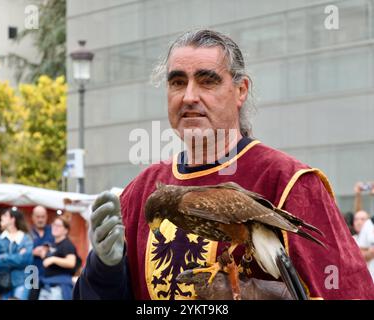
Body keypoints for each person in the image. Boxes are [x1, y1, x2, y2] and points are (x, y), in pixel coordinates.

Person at [74, 29, 374, 300]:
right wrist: (104, 273)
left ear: (241, 90)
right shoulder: (141, 191)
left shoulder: (288, 182)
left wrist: (267, 296)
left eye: (207, 81)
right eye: (178, 82)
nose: (189, 96)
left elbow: (351, 292)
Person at [0, 208, 33, 300]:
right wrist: (17, 256)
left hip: (22, 281)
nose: (1, 217)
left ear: (12, 219)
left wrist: (4, 256)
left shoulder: (26, 238)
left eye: (5, 215)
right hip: (3, 282)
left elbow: (26, 260)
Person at [38, 216, 77, 300]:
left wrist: (53, 259)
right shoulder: (53, 244)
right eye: (54, 225)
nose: (55, 227)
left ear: (66, 230)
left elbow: (71, 262)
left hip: (59, 287)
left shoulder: (67, 244)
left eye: (59, 226)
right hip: (47, 285)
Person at [28, 205, 54, 300]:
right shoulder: (27, 232)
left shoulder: (53, 230)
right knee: (32, 297)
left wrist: (48, 250)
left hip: (50, 274)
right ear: (32, 217)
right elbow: (19, 252)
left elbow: (61, 247)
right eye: (38, 217)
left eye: (43, 217)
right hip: (31, 273)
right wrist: (32, 252)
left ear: (46, 217)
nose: (40, 220)